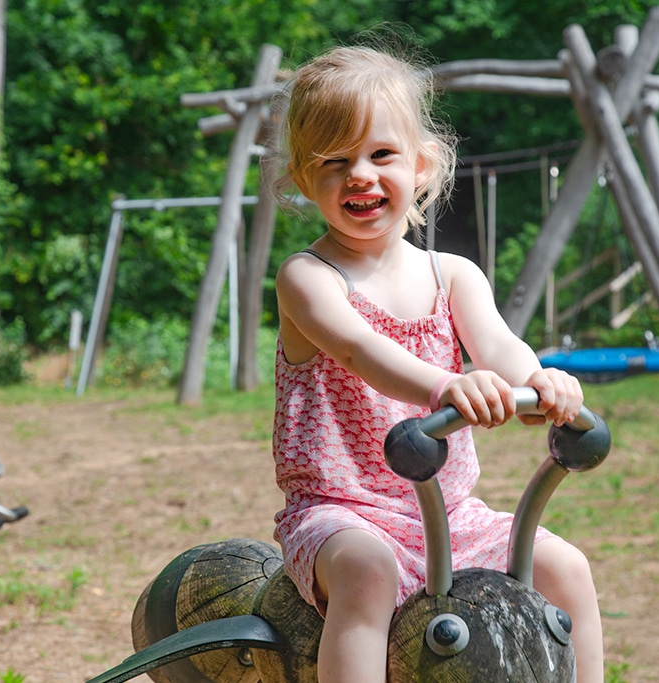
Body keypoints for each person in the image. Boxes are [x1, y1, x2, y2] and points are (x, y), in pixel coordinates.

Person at [268, 42, 604, 683]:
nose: (360, 175)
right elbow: (360, 350)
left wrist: (538, 378)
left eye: (381, 154)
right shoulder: (308, 278)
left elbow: (500, 346)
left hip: (448, 513)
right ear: (305, 181)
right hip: (342, 509)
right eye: (335, 162)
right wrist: (447, 384)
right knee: (368, 573)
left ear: (422, 165)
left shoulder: (452, 275)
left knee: (568, 568)